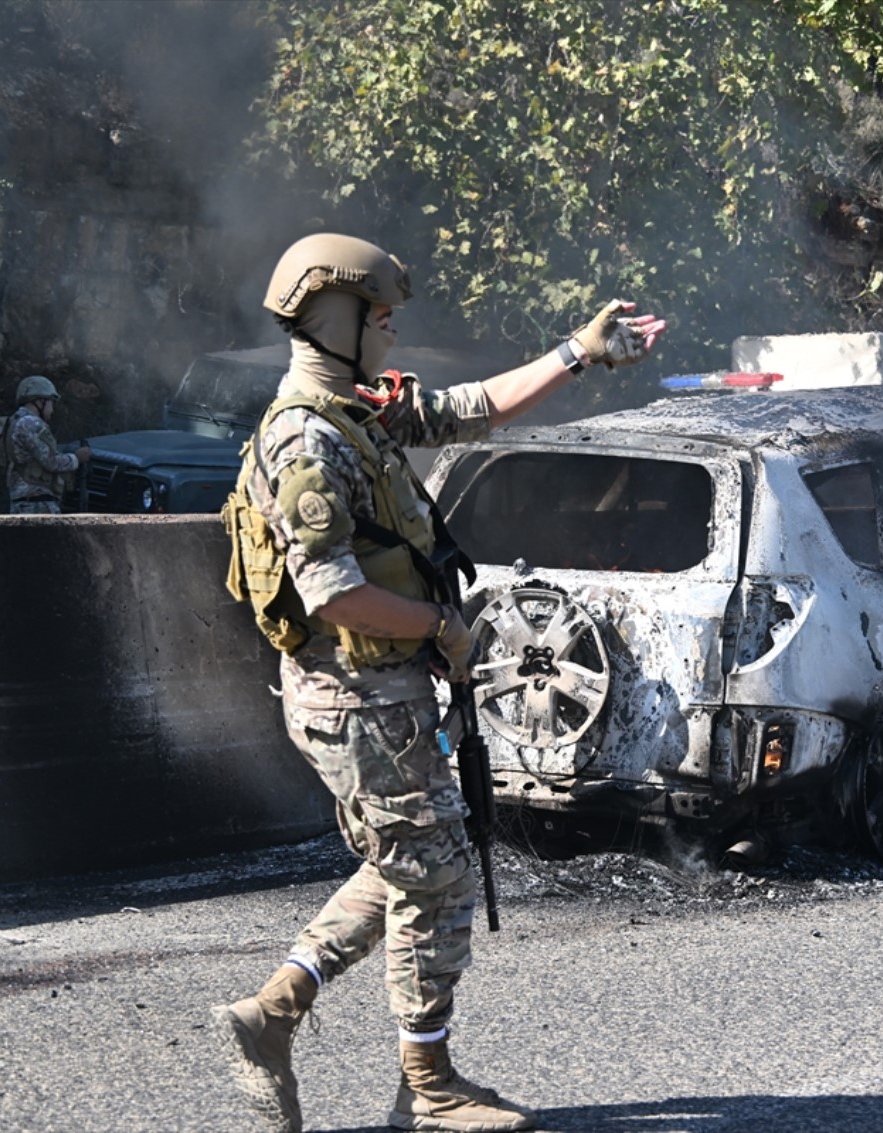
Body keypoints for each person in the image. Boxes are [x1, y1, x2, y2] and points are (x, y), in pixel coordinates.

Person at [212, 233, 665, 1133]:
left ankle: (274, 1011)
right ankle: (430, 1087)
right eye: (380, 316)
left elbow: (473, 409)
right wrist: (443, 628)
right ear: (336, 320)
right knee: (438, 879)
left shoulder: (354, 412)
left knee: (410, 860)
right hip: (357, 699)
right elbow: (332, 589)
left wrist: (580, 351)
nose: (390, 330)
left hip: (382, 697)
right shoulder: (307, 438)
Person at [3, 375, 90, 513]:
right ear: (39, 401)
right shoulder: (32, 424)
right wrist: (77, 458)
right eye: (51, 403)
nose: (52, 410)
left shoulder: (15, 421)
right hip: (37, 504)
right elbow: (51, 461)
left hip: (24, 503)